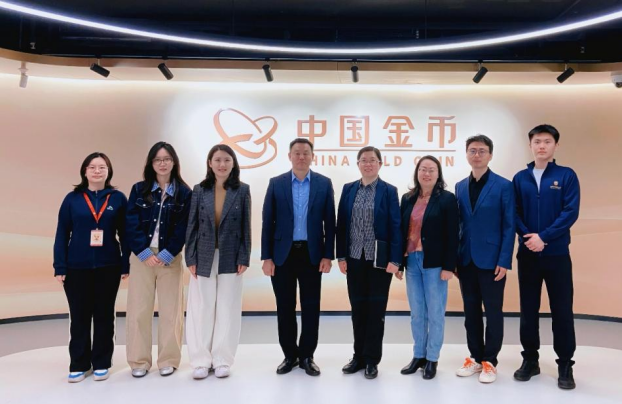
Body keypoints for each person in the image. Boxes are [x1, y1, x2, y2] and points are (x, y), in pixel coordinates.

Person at [512, 124, 580, 390]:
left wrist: (545, 237)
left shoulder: (566, 175)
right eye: (537, 141)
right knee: (528, 309)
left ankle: (565, 364)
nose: (542, 146)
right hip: (528, 253)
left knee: (561, 309)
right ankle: (530, 360)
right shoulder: (520, 178)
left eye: (547, 141)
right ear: (530, 145)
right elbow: (514, 212)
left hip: (557, 254)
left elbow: (570, 212)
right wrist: (529, 237)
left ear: (556, 145)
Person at [261, 138, 335, 376]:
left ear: (312, 156)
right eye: (297, 153)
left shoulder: (324, 183)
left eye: (305, 153)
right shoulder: (276, 183)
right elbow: (267, 222)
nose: (301, 157)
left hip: (312, 255)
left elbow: (330, 223)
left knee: (311, 306)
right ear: (289, 156)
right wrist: (266, 257)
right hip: (282, 255)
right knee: (285, 306)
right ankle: (289, 355)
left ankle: (307, 356)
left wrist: (328, 255)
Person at [53, 152, 130, 383]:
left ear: (108, 171)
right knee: (79, 317)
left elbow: (125, 234)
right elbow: (62, 233)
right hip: (76, 267)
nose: (97, 171)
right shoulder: (72, 199)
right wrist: (60, 266)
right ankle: (79, 363)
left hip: (109, 266)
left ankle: (102, 362)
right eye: (92, 167)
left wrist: (125, 263)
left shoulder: (118, 199)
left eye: (102, 167)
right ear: (84, 171)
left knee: (105, 315)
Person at [125, 141, 192, 378]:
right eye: (157, 159)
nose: (162, 163)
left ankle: (169, 359)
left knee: (171, 311)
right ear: (151, 163)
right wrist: (143, 252)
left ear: (174, 162)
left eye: (167, 159)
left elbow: (184, 227)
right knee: (138, 309)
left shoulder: (184, 193)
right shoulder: (139, 189)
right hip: (142, 258)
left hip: (169, 259)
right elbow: (130, 223)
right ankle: (139, 361)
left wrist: (167, 253)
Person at [185, 144, 251, 379]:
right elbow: (192, 226)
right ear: (210, 163)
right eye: (218, 160)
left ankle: (223, 359)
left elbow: (246, 226)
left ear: (233, 164)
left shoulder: (242, 190)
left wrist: (244, 256)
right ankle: (200, 360)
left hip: (231, 256)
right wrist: (190, 257)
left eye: (227, 160)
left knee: (227, 307)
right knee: (202, 307)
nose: (222, 164)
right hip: (203, 255)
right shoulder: (199, 190)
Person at [454, 135, 515, 383]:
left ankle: (490, 361)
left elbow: (509, 225)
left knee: (493, 311)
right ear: (466, 154)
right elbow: (459, 224)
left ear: (490, 155)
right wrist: (455, 258)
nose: (476, 155)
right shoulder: (459, 186)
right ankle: (475, 357)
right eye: (472, 150)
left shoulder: (504, 186)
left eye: (481, 151)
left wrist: (505, 260)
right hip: (466, 259)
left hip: (492, 261)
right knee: (470, 312)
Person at [337, 146, 402, 380]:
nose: (368, 164)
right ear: (358, 164)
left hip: (379, 261)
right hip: (354, 258)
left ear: (380, 164)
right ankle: (358, 357)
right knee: (358, 310)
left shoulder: (389, 191)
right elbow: (341, 224)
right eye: (363, 160)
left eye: (372, 160)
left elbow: (396, 226)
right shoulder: (348, 189)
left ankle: (372, 359)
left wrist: (396, 259)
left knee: (376, 311)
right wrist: (341, 256)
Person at [399, 155, 458, 380]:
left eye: (432, 170)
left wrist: (449, 266)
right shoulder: (407, 198)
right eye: (423, 169)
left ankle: (432, 358)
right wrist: (399, 263)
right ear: (417, 172)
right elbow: (401, 232)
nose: (427, 173)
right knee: (417, 313)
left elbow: (453, 234)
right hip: (412, 261)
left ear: (438, 173)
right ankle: (419, 355)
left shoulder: (447, 199)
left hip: (435, 263)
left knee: (435, 312)